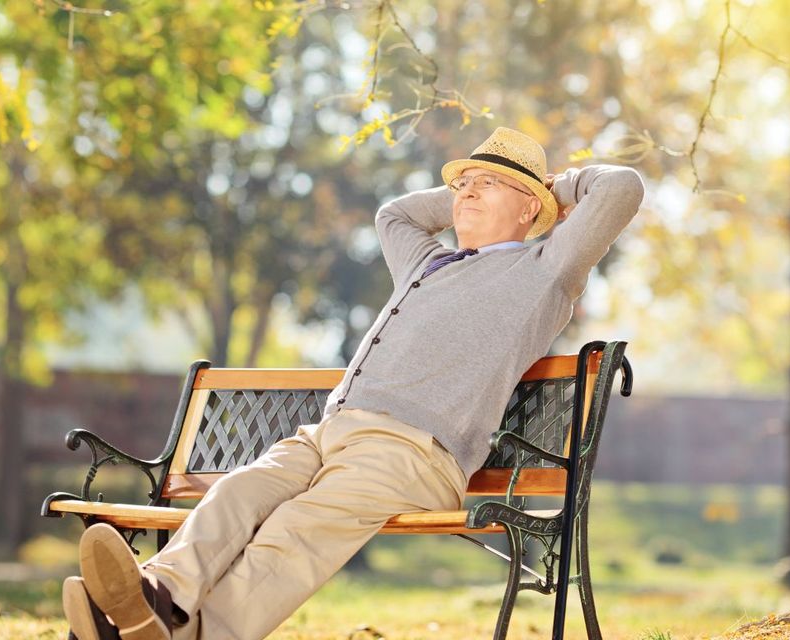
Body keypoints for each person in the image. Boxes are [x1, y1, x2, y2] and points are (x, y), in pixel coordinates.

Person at [61, 126, 645, 640]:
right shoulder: (426, 263)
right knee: (237, 493)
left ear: (529, 210)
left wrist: (553, 190)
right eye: (462, 181)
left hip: (413, 452)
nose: (466, 190)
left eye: (487, 184)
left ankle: (189, 637)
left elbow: (622, 190)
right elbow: (393, 214)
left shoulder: (543, 271)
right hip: (326, 434)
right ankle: (156, 599)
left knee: (295, 530)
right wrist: (480, 189)